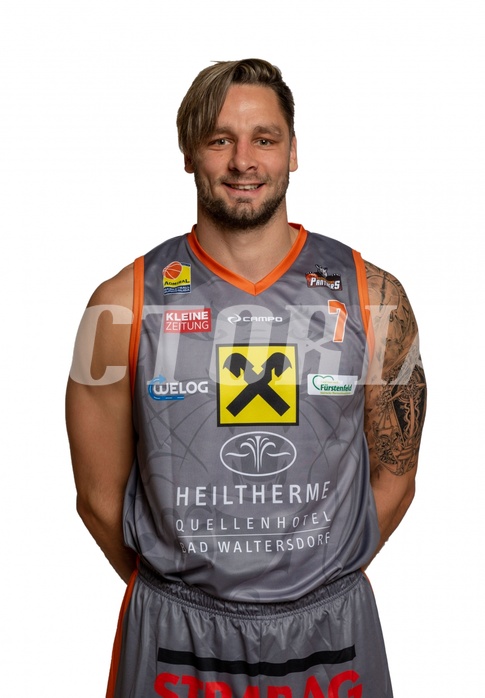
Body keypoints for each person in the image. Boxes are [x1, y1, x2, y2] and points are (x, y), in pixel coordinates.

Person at [66, 58, 427, 698]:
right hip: (177, 630)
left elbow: (397, 475)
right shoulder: (119, 305)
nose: (243, 161)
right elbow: (97, 499)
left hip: (329, 624)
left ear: (293, 151)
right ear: (189, 153)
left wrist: (312, 582)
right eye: (219, 140)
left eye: (264, 138)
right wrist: (189, 590)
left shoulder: (374, 297)